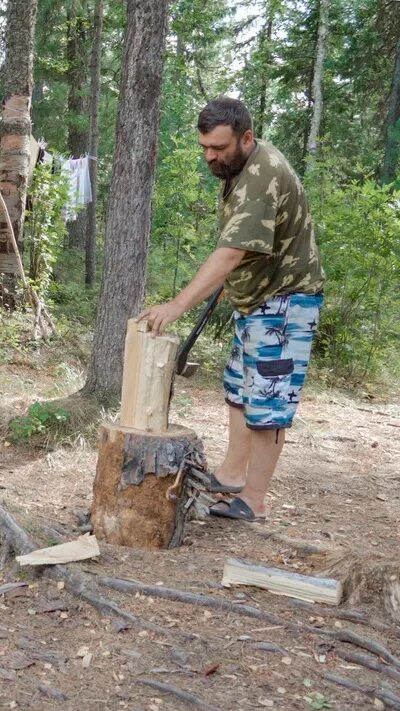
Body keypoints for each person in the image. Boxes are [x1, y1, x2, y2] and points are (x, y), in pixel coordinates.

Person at [138, 97, 325, 523]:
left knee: (267, 404)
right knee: (239, 391)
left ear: (246, 137)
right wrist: (229, 286)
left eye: (218, 148)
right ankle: (231, 474)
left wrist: (177, 305)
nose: (210, 157)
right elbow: (244, 251)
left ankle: (254, 499)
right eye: (205, 147)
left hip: (285, 304)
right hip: (257, 298)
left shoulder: (262, 176)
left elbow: (229, 253)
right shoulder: (239, 167)